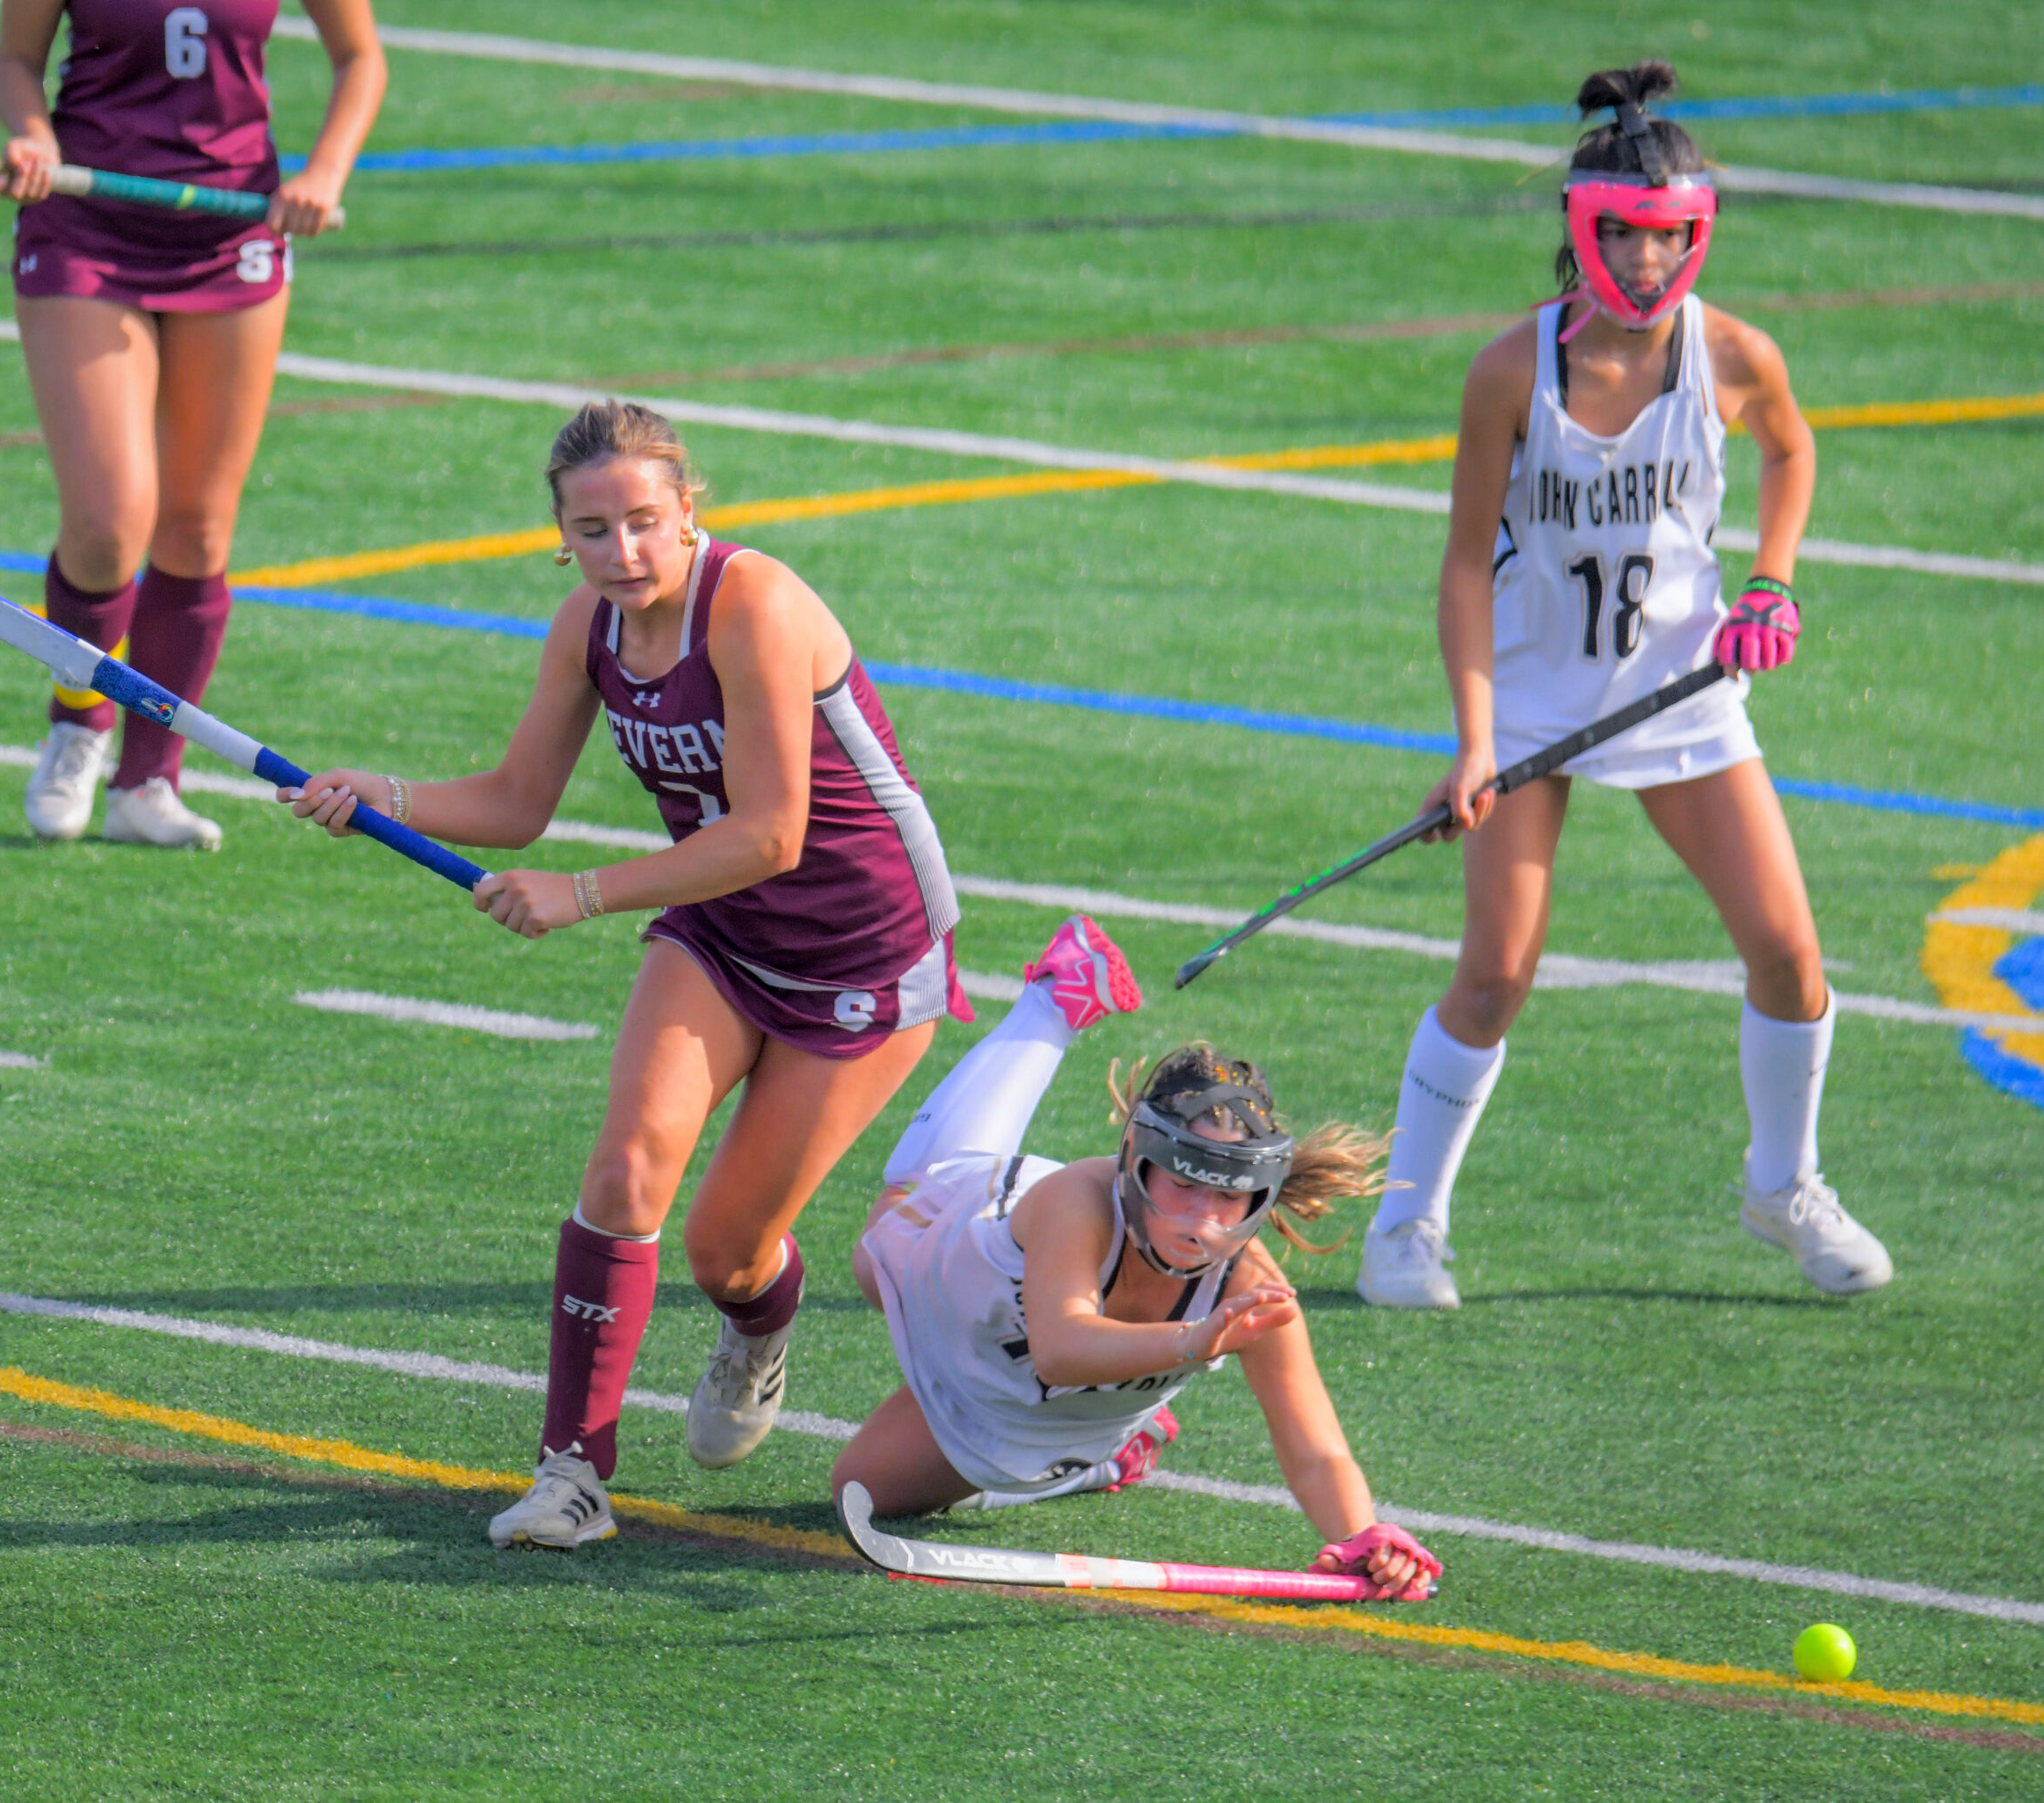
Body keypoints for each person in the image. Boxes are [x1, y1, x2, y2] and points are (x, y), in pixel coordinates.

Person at [284, 402, 971, 1549]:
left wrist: (583, 890)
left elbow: (771, 835)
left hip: (863, 950)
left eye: (645, 522)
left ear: (689, 510)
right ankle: (573, 1474)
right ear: (562, 533)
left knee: (725, 1249)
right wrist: (383, 797)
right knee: (623, 1170)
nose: (623, 553)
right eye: (592, 530)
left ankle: (759, 1322)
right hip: (715, 930)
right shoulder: (587, 628)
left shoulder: (752, 605)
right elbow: (515, 801)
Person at [1356, 62, 1891, 1311]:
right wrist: (1476, 740)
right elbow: (1463, 569)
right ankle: (1408, 1222)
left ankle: (1785, 1184)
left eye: (1670, 240)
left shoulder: (1735, 354)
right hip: (1538, 705)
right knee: (1495, 971)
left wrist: (1772, 580)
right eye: (1624, 238)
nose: (1649, 267)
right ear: (1578, 231)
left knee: (1790, 953)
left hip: (1683, 697)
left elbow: (1792, 448)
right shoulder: (1509, 374)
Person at [830, 913, 1440, 1600]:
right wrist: (1194, 1339)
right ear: (1136, 1163)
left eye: (1227, 1198)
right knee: (880, 1240)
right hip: (948, 1282)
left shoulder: (1252, 1287)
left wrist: (1364, 1536)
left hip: (1016, 1403)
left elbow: (1318, 1449)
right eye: (1181, 1184)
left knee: (859, 1488)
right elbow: (1060, 1346)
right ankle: (1056, 1001)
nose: (1201, 1220)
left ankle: (1099, 1461)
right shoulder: (1078, 1201)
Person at [0, 0, 387, 849]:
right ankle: (77, 723)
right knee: (106, 522)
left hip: (229, 229)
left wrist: (323, 172)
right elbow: (16, 60)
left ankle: (148, 782)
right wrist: (35, 140)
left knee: (198, 529)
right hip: (85, 222)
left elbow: (361, 57)